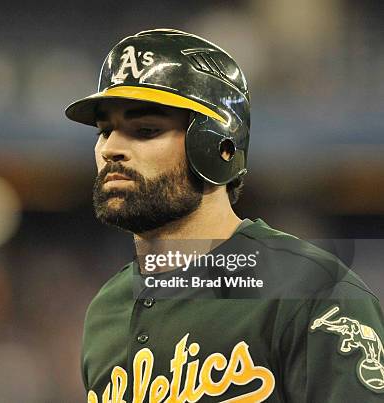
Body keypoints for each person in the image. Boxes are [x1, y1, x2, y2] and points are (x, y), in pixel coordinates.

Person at [64, 29, 384, 402]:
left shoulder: (312, 291)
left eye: (145, 130)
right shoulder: (106, 309)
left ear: (217, 146)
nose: (111, 148)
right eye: (105, 131)